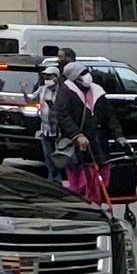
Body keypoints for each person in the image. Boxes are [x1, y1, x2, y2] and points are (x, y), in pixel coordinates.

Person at [55, 65, 114, 203]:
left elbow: (109, 116)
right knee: (81, 173)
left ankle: (98, 199)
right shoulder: (66, 92)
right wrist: (77, 135)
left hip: (98, 139)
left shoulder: (98, 91)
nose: (86, 75)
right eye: (82, 73)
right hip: (79, 143)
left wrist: (118, 134)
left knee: (101, 169)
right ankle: (83, 201)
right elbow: (63, 116)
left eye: (86, 72)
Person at [33, 61, 62, 183]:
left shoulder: (62, 91)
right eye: (45, 77)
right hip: (45, 127)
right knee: (48, 155)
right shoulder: (42, 89)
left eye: (49, 77)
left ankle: (57, 178)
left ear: (56, 77)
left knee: (58, 155)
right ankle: (52, 177)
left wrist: (54, 107)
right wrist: (23, 91)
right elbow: (30, 99)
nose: (47, 79)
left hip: (58, 128)